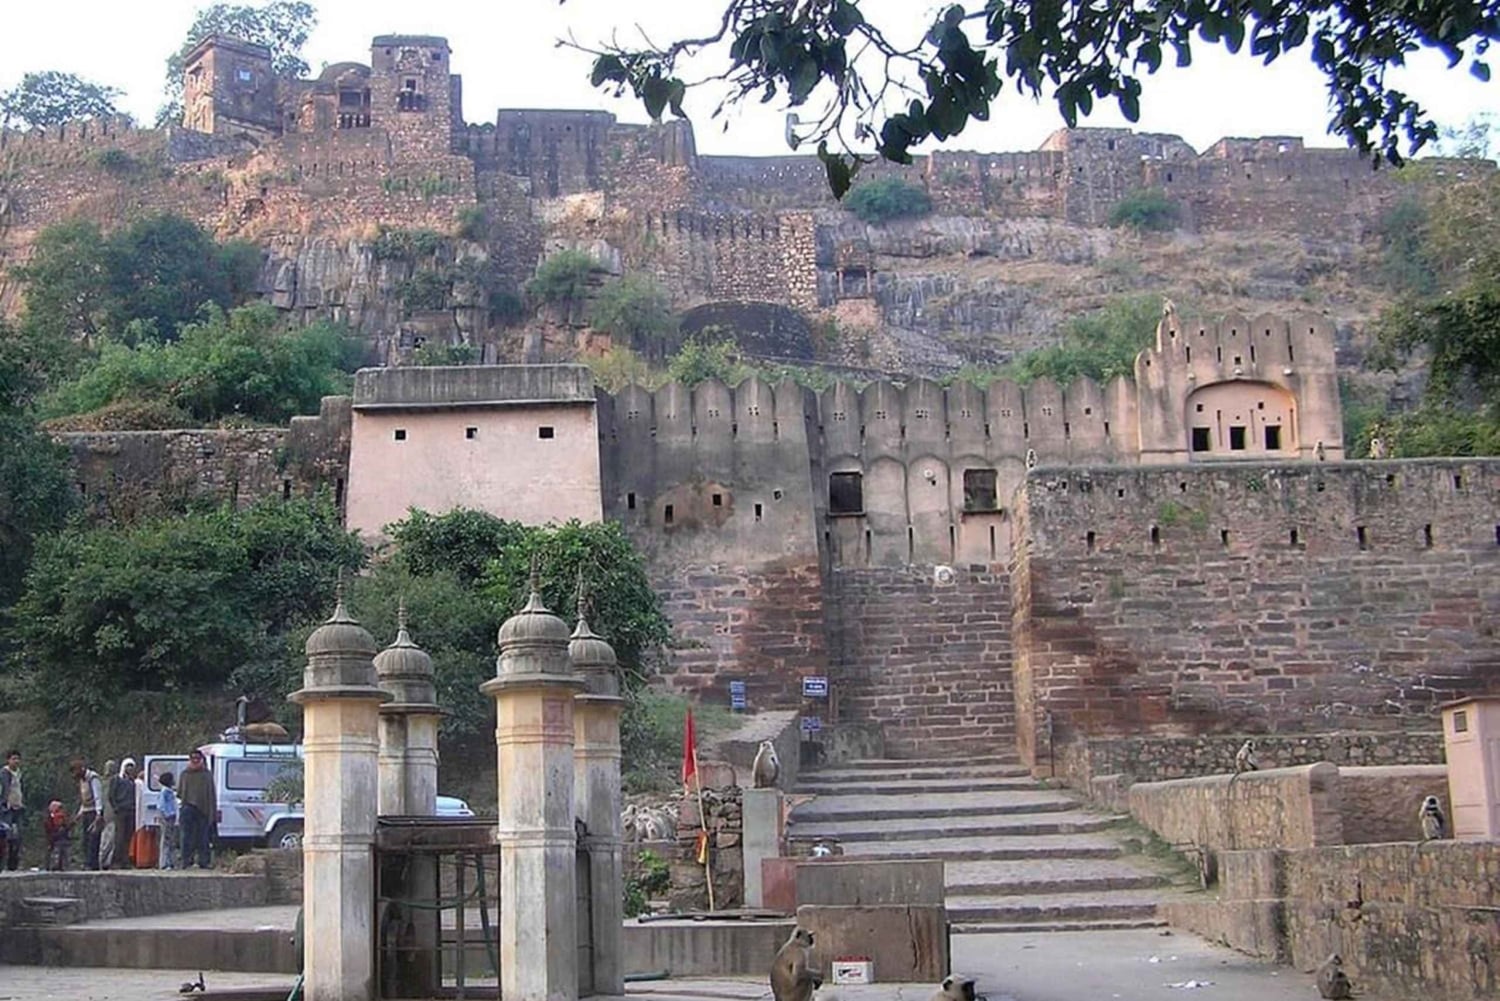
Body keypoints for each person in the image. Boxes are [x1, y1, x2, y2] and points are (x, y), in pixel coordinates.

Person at [177, 749, 215, 870]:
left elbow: (211, 794)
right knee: (186, 837)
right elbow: (180, 792)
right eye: (193, 758)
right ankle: (186, 861)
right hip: (187, 808)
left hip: (203, 809)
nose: (195, 760)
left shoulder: (206, 774)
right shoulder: (185, 774)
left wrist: (211, 812)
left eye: (197, 758)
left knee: (203, 837)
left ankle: (204, 861)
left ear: (201, 759)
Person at [69, 758, 104, 870]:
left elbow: (97, 796)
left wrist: (99, 813)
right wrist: (79, 815)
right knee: (86, 839)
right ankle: (87, 862)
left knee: (93, 838)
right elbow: (84, 799)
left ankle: (92, 864)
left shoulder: (93, 778)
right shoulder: (81, 781)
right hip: (86, 811)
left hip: (94, 812)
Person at [108, 759, 138, 870]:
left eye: (132, 766)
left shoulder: (133, 781)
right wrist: (116, 808)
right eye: (128, 766)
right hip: (121, 810)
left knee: (128, 837)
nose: (130, 768)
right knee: (119, 836)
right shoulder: (117, 779)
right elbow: (111, 795)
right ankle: (116, 861)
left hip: (131, 810)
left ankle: (125, 860)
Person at [0, 750, 24, 871]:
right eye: (13, 759)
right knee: (7, 836)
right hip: (7, 809)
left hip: (18, 807)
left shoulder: (18, 773)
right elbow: (4, 789)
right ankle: (6, 864)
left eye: (18, 759)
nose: (16, 761)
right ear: (8, 760)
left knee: (18, 836)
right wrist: (4, 804)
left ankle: (13, 864)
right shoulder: (4, 773)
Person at [157, 771, 179, 870]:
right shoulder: (165, 791)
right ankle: (164, 863)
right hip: (167, 817)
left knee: (170, 840)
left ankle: (170, 861)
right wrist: (167, 815)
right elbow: (161, 805)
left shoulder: (169, 791)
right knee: (166, 840)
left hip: (171, 816)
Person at [98, 758, 117, 869]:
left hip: (107, 810)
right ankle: (104, 859)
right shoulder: (107, 781)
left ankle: (106, 859)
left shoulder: (104, 781)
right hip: (108, 811)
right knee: (109, 837)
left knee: (109, 837)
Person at [44, 801, 72, 871]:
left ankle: (60, 865)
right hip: (56, 838)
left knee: (62, 853)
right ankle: (55, 865)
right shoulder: (50, 818)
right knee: (57, 853)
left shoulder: (60, 817)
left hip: (60, 839)